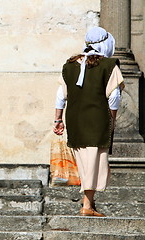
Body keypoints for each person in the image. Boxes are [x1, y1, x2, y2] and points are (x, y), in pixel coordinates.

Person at [53, 27, 125, 217]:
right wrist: (112, 119)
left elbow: (61, 95)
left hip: (75, 121)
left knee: (86, 163)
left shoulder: (70, 65)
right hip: (98, 121)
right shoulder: (109, 65)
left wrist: (57, 119)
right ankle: (87, 205)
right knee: (94, 163)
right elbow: (114, 97)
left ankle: (90, 204)